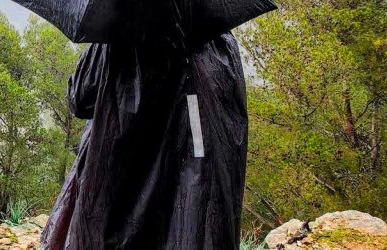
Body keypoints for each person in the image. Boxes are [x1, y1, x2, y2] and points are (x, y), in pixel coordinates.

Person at [40, 32, 248, 249]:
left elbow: (80, 98)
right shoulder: (219, 39)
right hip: (193, 199)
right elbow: (232, 129)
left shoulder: (122, 27)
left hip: (121, 192)